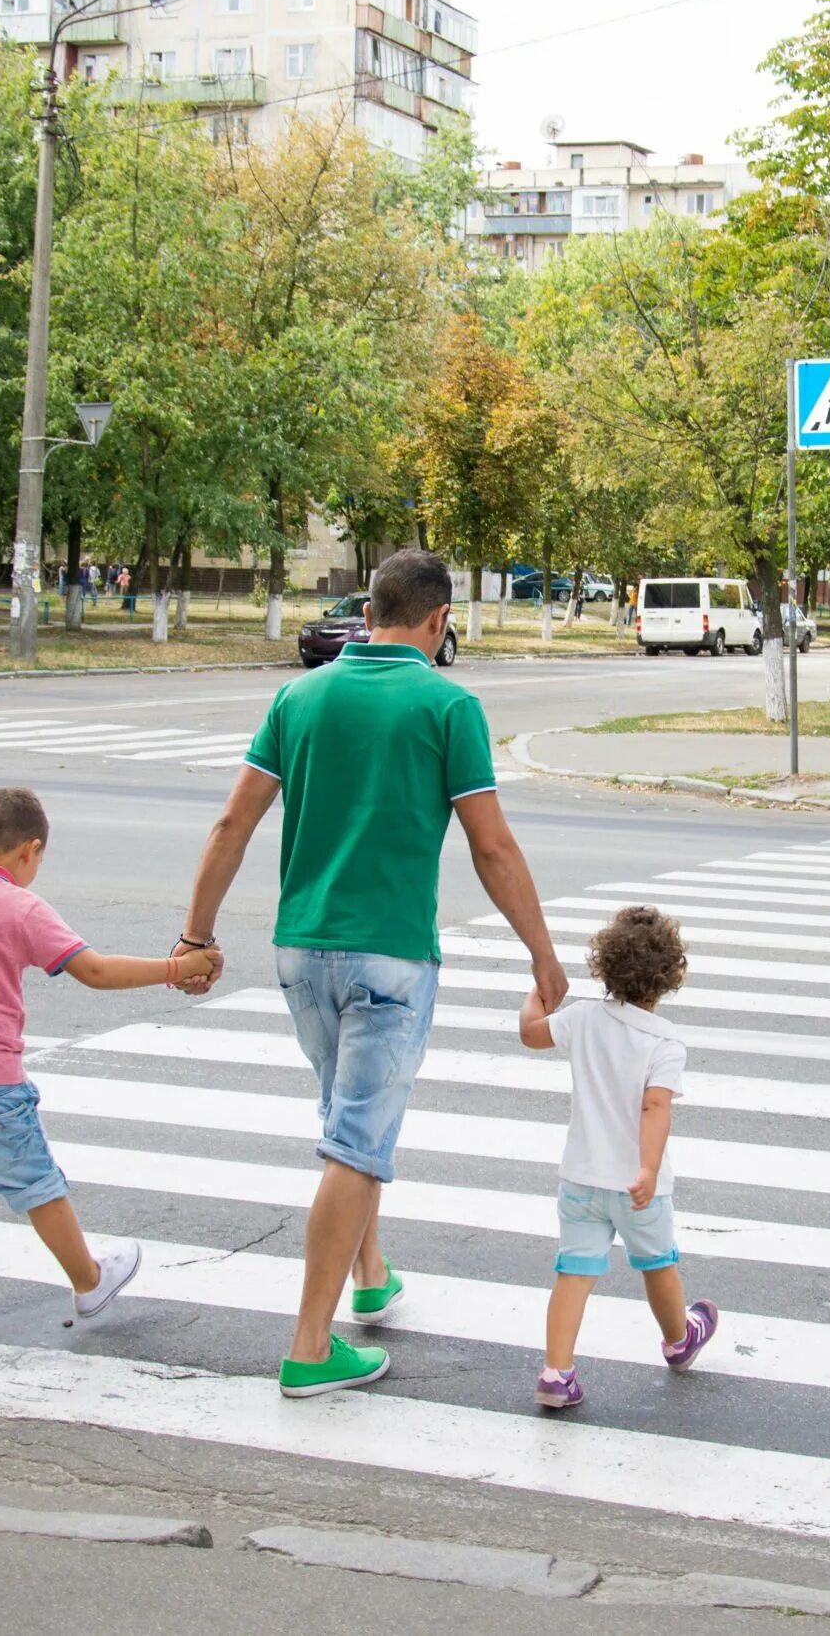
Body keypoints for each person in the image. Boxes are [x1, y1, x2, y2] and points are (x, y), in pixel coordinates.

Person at [178, 547, 565, 1399]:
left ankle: (371, 1275)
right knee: (356, 1142)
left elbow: (230, 826)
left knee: (344, 1121)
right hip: (389, 955)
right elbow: (491, 845)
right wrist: (542, 953)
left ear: (367, 612)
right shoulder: (447, 702)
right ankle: (311, 1347)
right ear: (437, 621)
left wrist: (195, 935)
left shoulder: (298, 696)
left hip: (300, 951)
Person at [0, 785, 215, 1397]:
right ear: (31, 851)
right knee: (38, 1185)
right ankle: (89, 1281)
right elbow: (94, 970)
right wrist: (177, 968)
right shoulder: (18, 909)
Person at [516, 906, 718, 1409]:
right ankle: (679, 1339)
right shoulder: (664, 1041)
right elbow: (655, 1107)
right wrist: (647, 1168)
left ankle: (556, 1372)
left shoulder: (582, 1017)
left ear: (603, 966)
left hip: (581, 1179)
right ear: (671, 977)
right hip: (637, 1185)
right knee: (657, 1264)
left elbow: (531, 1033)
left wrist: (536, 992)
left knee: (574, 1273)